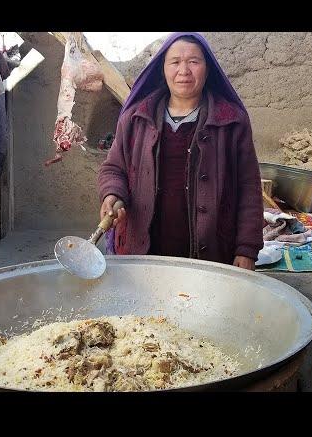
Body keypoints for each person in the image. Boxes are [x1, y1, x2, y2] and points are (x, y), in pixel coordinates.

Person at [97, 32, 263, 270]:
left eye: (194, 62)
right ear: (162, 70)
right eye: (175, 62)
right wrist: (112, 195)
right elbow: (114, 168)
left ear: (208, 69)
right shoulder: (136, 118)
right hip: (142, 253)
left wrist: (247, 249)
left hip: (212, 253)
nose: (184, 70)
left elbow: (249, 187)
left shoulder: (231, 122)